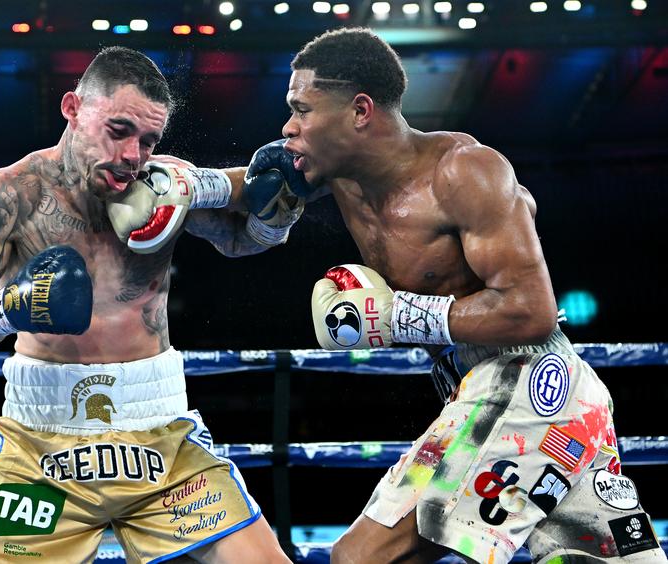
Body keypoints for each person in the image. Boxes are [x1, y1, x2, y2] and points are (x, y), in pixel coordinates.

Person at [271, 28, 665, 563]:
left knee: (361, 559)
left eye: (302, 109)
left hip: (528, 385)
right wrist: (183, 186)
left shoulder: (464, 172)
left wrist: (398, 317)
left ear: (360, 111)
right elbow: (249, 189)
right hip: (536, 402)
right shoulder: (334, 171)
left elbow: (531, 309)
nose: (289, 126)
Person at [0, 46, 303, 563]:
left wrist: (277, 211)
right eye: (118, 130)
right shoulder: (11, 195)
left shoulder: (163, 184)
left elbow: (243, 238)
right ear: (72, 108)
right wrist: (12, 307)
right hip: (41, 442)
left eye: (148, 140)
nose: (132, 155)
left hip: (162, 436)